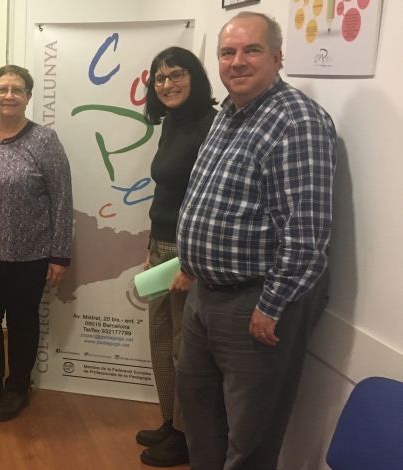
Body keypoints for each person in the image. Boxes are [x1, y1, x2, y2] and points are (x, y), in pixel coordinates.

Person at [176, 12, 336, 470]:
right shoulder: (228, 113)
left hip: (255, 303)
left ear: (278, 57)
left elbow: (306, 233)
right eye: (228, 52)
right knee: (200, 419)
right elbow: (210, 198)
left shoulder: (297, 121)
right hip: (206, 295)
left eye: (252, 50)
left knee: (250, 436)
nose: (238, 61)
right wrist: (191, 262)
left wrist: (272, 305)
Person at [0, 65, 73, 422]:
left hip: (27, 252)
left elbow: (62, 198)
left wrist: (59, 255)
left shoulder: (44, 140)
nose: (8, 95)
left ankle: (18, 388)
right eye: (2, 89)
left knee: (22, 322)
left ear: (28, 96)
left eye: (17, 89)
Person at [136, 47, 217, 468]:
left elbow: (210, 203)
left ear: (195, 77)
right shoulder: (170, 123)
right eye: (160, 78)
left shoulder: (212, 126)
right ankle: (170, 421)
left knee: (185, 352)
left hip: (187, 254)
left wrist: (190, 263)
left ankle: (187, 435)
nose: (167, 84)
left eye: (176, 75)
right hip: (162, 249)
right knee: (160, 340)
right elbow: (166, 192)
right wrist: (151, 244)